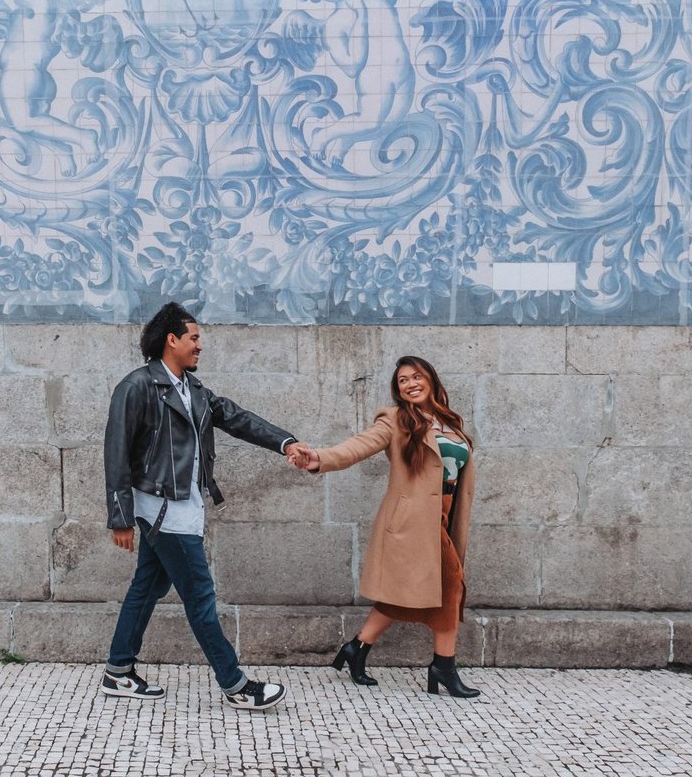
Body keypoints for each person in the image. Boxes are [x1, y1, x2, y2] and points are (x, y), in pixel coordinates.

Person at [102, 302, 316, 710]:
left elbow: (237, 418)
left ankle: (118, 671)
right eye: (194, 338)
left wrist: (285, 441)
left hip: (184, 505)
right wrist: (121, 516)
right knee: (200, 596)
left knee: (147, 587)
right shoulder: (137, 386)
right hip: (164, 511)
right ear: (172, 340)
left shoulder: (194, 390)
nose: (200, 346)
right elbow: (116, 454)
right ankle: (236, 685)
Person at [292, 355, 480, 698]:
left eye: (416, 376)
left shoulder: (451, 423)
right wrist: (320, 457)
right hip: (413, 523)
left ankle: (357, 647)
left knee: (415, 597)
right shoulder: (395, 420)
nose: (410, 384)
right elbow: (359, 446)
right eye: (403, 381)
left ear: (431, 379)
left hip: (445, 517)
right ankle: (443, 667)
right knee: (451, 587)